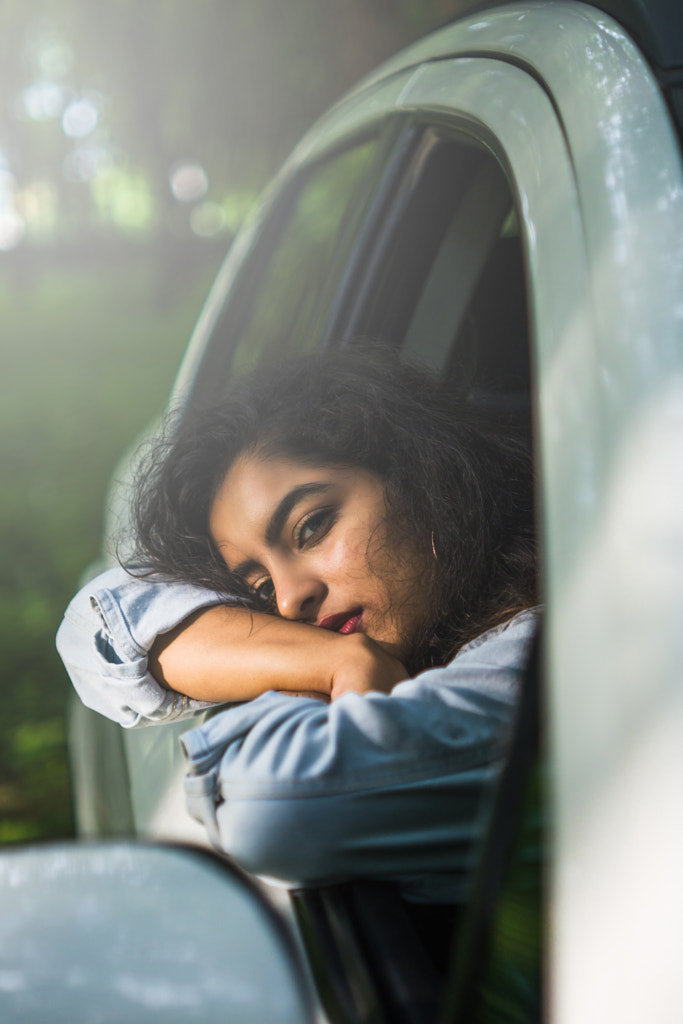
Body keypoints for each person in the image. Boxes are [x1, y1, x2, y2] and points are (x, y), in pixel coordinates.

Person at [56, 347, 539, 908]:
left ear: (423, 474)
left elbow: (276, 808)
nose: (288, 601)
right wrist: (328, 661)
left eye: (312, 527)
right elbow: (97, 632)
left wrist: (336, 664)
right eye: (258, 587)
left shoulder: (531, 656)